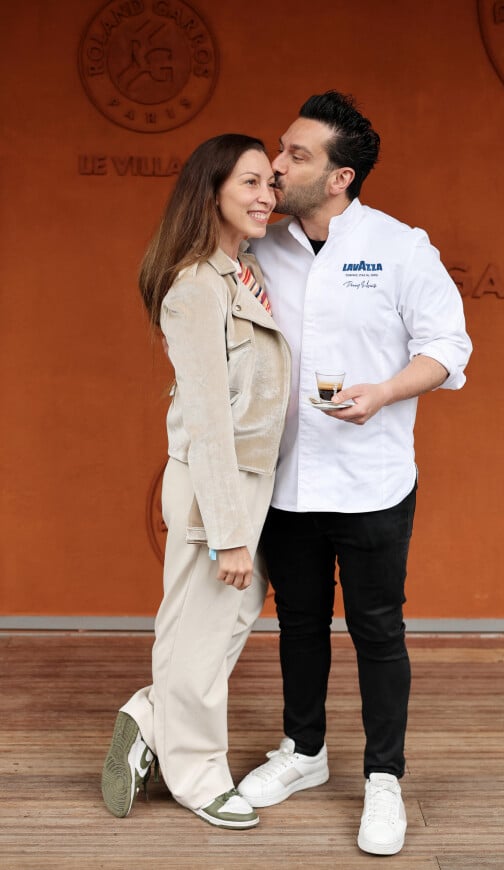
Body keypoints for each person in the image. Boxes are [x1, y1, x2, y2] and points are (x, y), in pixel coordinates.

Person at [237, 92, 472, 855]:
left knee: (378, 629)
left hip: (373, 477)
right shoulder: (256, 246)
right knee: (299, 624)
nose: (276, 164)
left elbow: (450, 346)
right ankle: (303, 753)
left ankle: (383, 780)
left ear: (339, 178)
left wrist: (386, 392)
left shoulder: (402, 247)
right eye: (281, 147)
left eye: (296, 155)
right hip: (284, 480)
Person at [101, 134, 291, 829]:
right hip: (218, 487)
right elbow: (209, 423)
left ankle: (150, 713)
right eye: (249, 183)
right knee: (205, 630)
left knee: (221, 622)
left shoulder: (242, 274)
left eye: (270, 182)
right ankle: (198, 775)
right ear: (210, 191)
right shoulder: (193, 289)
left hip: (252, 482)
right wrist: (229, 534)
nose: (266, 195)